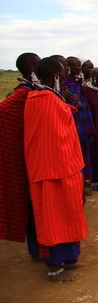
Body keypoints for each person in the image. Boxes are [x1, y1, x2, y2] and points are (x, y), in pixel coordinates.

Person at [24, 57, 88, 282]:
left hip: (65, 169)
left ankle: (69, 258)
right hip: (52, 171)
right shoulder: (43, 100)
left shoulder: (46, 97)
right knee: (53, 220)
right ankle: (54, 268)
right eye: (63, 73)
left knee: (68, 215)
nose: (65, 76)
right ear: (54, 77)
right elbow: (53, 137)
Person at [0, 53, 40, 247]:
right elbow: (4, 111)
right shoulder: (23, 94)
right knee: (32, 204)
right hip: (26, 156)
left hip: (36, 154)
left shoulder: (35, 90)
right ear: (33, 67)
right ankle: (38, 248)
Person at [64, 57, 95, 191]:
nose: (79, 68)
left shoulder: (79, 82)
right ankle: (78, 183)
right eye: (77, 66)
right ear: (68, 67)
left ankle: (85, 180)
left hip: (84, 119)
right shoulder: (64, 84)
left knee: (85, 149)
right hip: (74, 120)